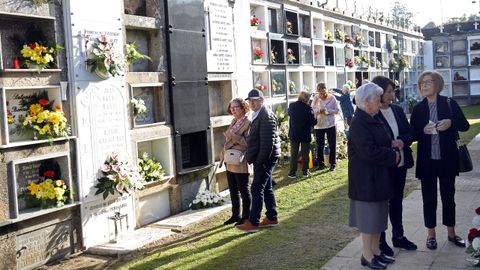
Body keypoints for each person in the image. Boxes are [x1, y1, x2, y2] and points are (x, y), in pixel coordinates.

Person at [410, 71, 470, 250]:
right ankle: (431, 235)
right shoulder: (419, 108)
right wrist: (423, 131)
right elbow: (412, 134)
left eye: (428, 82)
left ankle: (451, 233)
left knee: (448, 197)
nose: (424, 86)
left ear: (437, 84)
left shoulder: (449, 103)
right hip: (427, 161)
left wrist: (451, 123)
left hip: (447, 160)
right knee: (429, 199)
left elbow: (465, 125)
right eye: (421, 83)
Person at [348, 83, 400, 270]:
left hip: (378, 176)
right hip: (366, 179)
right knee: (369, 219)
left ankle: (376, 251)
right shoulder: (359, 122)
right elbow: (368, 152)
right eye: (377, 100)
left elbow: (382, 142)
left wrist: (391, 147)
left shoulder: (372, 117)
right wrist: (392, 155)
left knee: (378, 217)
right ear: (367, 102)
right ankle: (367, 255)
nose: (380, 103)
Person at [372, 76, 417, 256]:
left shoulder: (397, 110)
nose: (392, 94)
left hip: (401, 163)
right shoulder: (373, 113)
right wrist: (389, 146)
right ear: (379, 92)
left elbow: (410, 132)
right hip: (385, 165)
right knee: (383, 203)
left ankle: (398, 236)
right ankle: (381, 241)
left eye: (393, 91)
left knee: (397, 202)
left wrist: (402, 141)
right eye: (389, 91)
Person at [236, 89, 281, 233]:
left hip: (265, 159)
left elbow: (268, 143)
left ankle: (253, 222)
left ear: (262, 100)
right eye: (250, 101)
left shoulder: (265, 115)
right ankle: (272, 217)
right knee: (266, 188)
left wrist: (260, 161)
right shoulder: (257, 114)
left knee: (256, 188)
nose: (252, 103)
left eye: (255, 100)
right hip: (262, 158)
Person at [220, 98, 251, 226]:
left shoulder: (248, 122)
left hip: (240, 160)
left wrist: (233, 136)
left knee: (243, 189)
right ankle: (235, 215)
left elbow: (247, 143)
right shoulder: (234, 121)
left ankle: (246, 216)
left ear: (243, 107)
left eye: (235, 107)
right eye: (231, 108)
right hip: (229, 159)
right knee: (232, 189)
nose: (232, 110)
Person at [287, 91, 317, 179]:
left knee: (294, 154)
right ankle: (305, 171)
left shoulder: (292, 106)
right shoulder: (308, 108)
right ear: (307, 99)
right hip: (305, 134)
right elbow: (313, 122)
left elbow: (289, 114)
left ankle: (292, 173)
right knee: (305, 154)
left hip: (294, 133)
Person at [312, 82, 339, 171]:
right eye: (320, 93)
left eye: (324, 92)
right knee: (320, 145)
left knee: (332, 144)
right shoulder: (315, 98)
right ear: (318, 91)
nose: (322, 94)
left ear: (326, 90)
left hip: (330, 124)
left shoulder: (332, 98)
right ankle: (321, 163)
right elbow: (312, 110)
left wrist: (328, 111)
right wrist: (319, 110)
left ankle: (332, 163)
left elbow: (337, 110)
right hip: (319, 125)